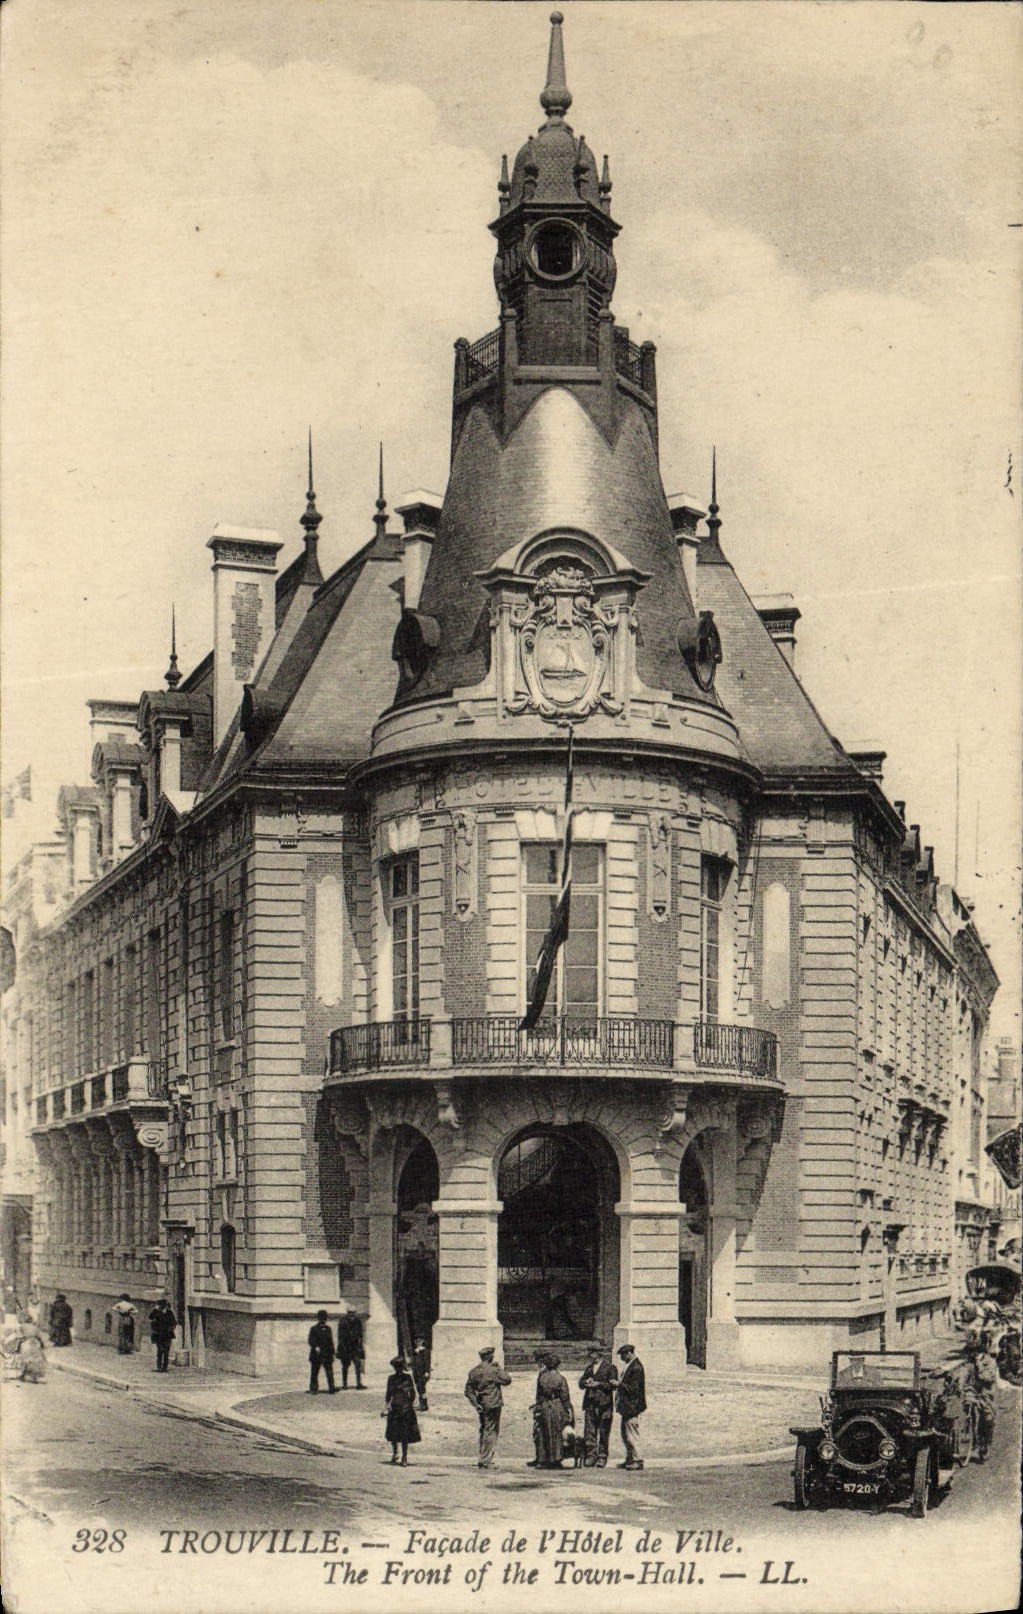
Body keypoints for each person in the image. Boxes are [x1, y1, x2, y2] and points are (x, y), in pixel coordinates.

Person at [464, 1345, 511, 1469]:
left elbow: (468, 1390)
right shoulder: (493, 1370)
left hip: (482, 1404)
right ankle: (486, 1460)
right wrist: (499, 1368)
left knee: (484, 1430)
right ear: (490, 1357)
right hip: (494, 1403)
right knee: (491, 1431)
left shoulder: (474, 1371)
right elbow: (507, 1380)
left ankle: (482, 1456)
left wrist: (476, 1404)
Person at [579, 1341, 617, 1468]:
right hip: (590, 1403)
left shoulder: (610, 1367)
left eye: (592, 1352)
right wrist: (585, 1381)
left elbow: (612, 1385)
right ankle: (590, 1455)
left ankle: (602, 1456)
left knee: (604, 1430)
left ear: (599, 1353)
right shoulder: (589, 1368)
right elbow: (580, 1383)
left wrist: (599, 1384)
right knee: (589, 1431)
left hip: (604, 1404)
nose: (590, 1355)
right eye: (590, 1352)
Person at [534, 1353, 574, 1469]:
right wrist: (568, 1409)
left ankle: (542, 1459)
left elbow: (539, 1395)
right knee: (556, 1432)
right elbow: (565, 1396)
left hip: (545, 1405)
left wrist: (539, 1407)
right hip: (557, 1405)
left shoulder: (542, 1377)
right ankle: (556, 1459)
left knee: (543, 1431)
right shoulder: (560, 1378)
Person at [964, 1334, 999, 1462]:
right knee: (966, 1406)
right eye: (970, 1351)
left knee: (988, 1419)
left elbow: (988, 1378)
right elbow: (963, 1376)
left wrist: (979, 1365)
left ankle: (985, 1446)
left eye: (974, 1351)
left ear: (979, 1351)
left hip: (986, 1394)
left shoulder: (989, 1362)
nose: (972, 1354)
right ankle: (968, 1438)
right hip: (972, 1392)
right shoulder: (969, 1363)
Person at [383, 1355, 421, 1465]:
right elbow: (388, 1395)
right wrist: (385, 1407)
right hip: (395, 1409)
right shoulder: (391, 1378)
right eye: (396, 1367)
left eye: (399, 1367)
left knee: (404, 1435)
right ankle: (396, 1454)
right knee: (393, 1433)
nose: (398, 1369)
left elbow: (413, 1393)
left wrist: (408, 1404)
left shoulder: (408, 1378)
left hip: (405, 1410)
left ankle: (404, 1457)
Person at [615, 1343, 646, 1470]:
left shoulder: (636, 1368)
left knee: (632, 1433)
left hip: (632, 1406)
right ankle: (630, 1458)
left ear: (629, 1353)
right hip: (627, 1406)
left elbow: (633, 1389)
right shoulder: (631, 1366)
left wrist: (619, 1384)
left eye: (623, 1355)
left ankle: (638, 1460)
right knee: (625, 1433)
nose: (621, 1358)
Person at [307, 1310, 338, 1393]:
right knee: (314, 1372)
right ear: (318, 1318)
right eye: (322, 1318)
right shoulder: (313, 1329)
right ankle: (313, 1388)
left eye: (324, 1318)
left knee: (329, 1371)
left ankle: (332, 1388)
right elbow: (310, 1340)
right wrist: (316, 1346)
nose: (323, 1320)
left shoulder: (328, 1329)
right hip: (316, 1354)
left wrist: (333, 1352)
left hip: (327, 1353)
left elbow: (331, 1342)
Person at [336, 1306, 365, 1388]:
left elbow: (360, 1335)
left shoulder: (358, 1321)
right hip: (346, 1347)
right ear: (347, 1313)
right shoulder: (342, 1321)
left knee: (357, 1365)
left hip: (355, 1347)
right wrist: (341, 1348)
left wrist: (361, 1347)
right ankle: (345, 1384)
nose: (352, 1315)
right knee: (345, 1366)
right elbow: (340, 1336)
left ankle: (358, 1383)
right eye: (350, 1313)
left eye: (353, 1313)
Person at [149, 1297, 178, 1373]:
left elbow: (174, 1322)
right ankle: (159, 1367)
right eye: (159, 1305)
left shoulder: (169, 1312)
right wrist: (155, 1309)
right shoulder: (157, 1312)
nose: (161, 1306)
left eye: (162, 1305)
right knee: (159, 1351)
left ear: (165, 1305)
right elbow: (150, 1317)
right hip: (159, 1334)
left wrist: (171, 1328)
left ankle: (164, 1367)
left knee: (166, 1352)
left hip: (167, 1335)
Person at [411, 1335, 431, 1411]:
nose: (418, 1342)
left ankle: (424, 1405)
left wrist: (427, 1371)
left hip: (422, 1372)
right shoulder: (415, 1351)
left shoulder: (425, 1351)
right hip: (416, 1372)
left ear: (423, 1341)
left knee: (422, 1389)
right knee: (419, 1388)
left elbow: (427, 1362)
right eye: (416, 1341)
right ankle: (421, 1404)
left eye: (420, 1340)